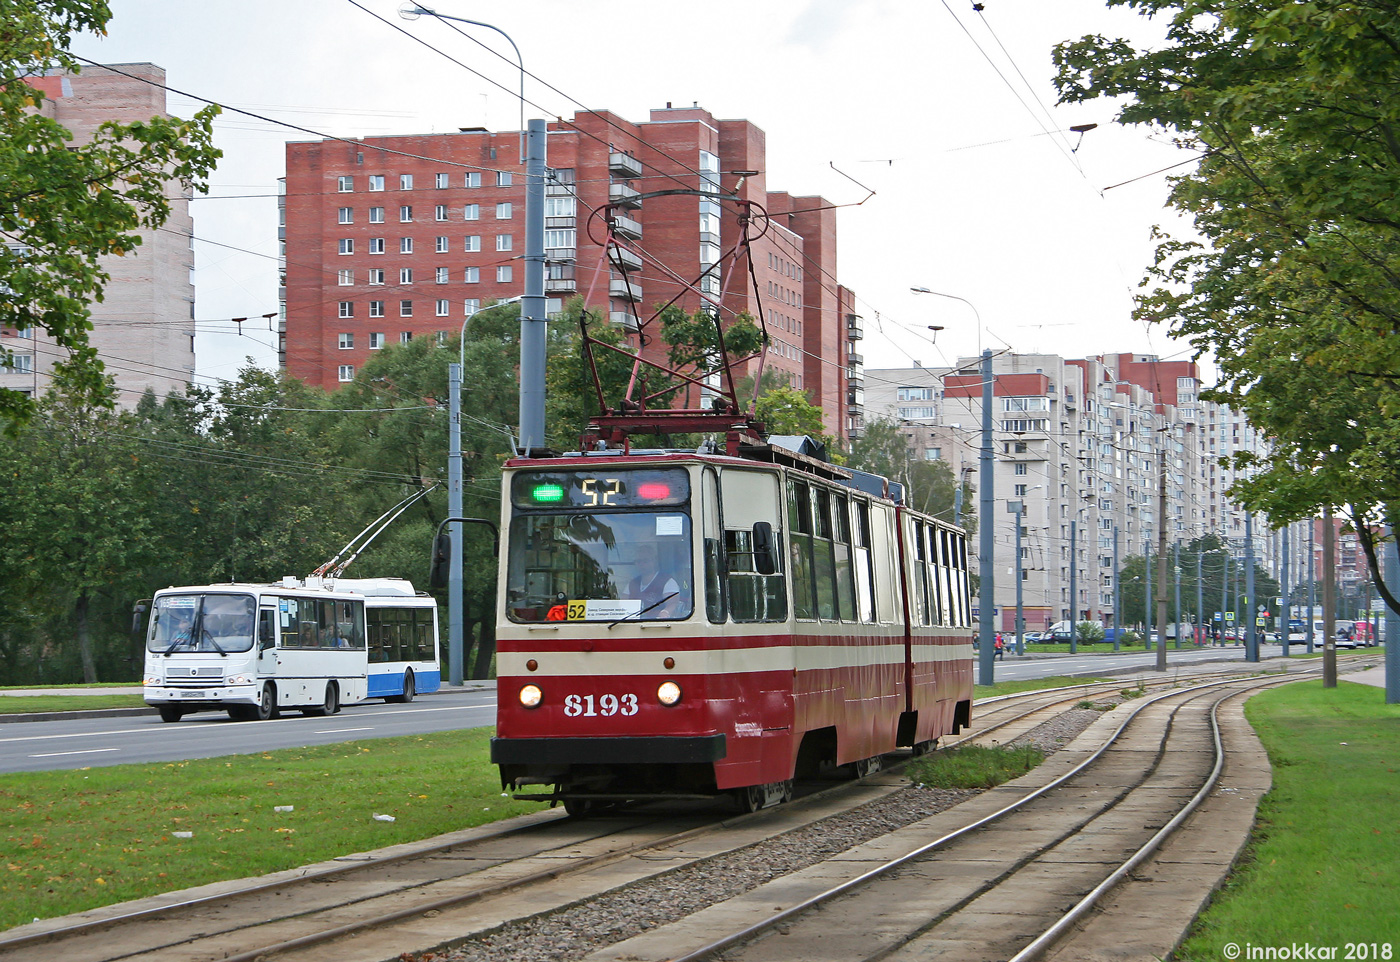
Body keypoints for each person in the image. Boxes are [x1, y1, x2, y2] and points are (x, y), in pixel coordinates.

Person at [629, 543, 684, 618]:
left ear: (654, 561)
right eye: (638, 561)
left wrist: (665, 612)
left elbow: (673, 604)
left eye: (645, 561)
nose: (641, 564)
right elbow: (622, 604)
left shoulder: (667, 581)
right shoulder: (632, 583)